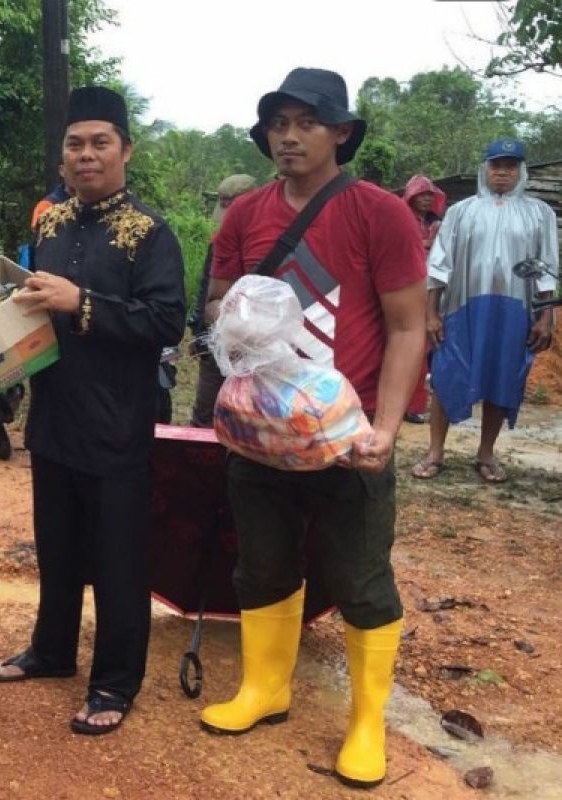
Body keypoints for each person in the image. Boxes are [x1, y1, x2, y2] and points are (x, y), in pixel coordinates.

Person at [201, 68, 426, 790]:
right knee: (261, 565)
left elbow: (406, 325)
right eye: (278, 123)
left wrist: (386, 428)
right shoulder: (243, 216)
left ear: (341, 134)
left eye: (306, 122)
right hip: (261, 433)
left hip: (348, 437)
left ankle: (365, 721)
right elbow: (213, 305)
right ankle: (267, 689)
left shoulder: (379, 214)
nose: (289, 136)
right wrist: (235, 322)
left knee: (361, 579)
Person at [0, 86, 187, 736]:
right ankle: (51, 651)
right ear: (63, 154)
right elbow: (37, 308)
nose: (86, 155)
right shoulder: (49, 223)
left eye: (100, 142)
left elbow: (164, 321)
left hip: (119, 422)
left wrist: (83, 303)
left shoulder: (151, 234)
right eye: (75, 144)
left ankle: (115, 683)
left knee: (119, 559)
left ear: (125, 150)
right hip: (55, 416)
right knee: (59, 548)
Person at [411, 139, 558, 483]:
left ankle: (486, 453)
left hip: (514, 311)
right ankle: (435, 451)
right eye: (496, 165)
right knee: (447, 374)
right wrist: (431, 313)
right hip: (462, 308)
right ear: (485, 169)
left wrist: (546, 316)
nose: (503, 172)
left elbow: (545, 268)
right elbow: (439, 264)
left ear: (521, 171)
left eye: (511, 166)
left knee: (501, 376)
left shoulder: (540, 214)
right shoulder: (462, 212)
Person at [188, 174, 258, 427]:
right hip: (217, 338)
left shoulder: (266, 236)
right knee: (206, 416)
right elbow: (206, 290)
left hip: (255, 345)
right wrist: (198, 332)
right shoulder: (218, 241)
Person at [400, 174, 447, 425]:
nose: (427, 198)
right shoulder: (398, 219)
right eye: (422, 194)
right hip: (398, 289)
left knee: (420, 349)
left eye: (431, 194)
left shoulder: (437, 226)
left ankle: (415, 405)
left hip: (428, 292)